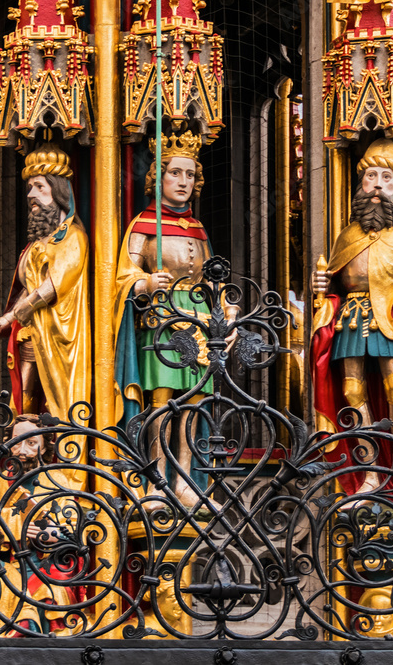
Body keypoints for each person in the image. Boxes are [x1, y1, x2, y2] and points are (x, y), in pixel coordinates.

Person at [311, 139, 393, 507]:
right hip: (350, 318)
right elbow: (333, 276)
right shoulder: (347, 235)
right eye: (371, 177)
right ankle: (369, 473)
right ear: (360, 185)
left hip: (391, 322)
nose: (378, 184)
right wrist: (322, 285)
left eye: (386, 177)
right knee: (352, 392)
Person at [113, 131, 234, 509]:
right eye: (175, 174)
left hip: (197, 322)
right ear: (157, 178)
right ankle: (155, 479)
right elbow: (122, 276)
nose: (184, 182)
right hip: (160, 320)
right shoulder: (143, 224)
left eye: (190, 175)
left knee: (192, 406)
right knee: (162, 403)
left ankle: (186, 481)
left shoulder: (197, 229)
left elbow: (215, 279)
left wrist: (228, 308)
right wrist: (145, 281)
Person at [0, 142, 90, 492]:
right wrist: (3, 322)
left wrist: (14, 315)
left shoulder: (73, 238)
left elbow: (50, 287)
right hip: (30, 337)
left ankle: (65, 471)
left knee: (61, 404)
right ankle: (25, 466)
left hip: (61, 338)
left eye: (39, 187)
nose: (31, 194)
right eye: (29, 187)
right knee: (25, 403)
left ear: (58, 192)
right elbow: (22, 290)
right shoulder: (33, 246)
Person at [0, 414, 86, 637]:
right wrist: (16, 527)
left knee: (50, 591)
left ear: (44, 447)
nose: (22, 450)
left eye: (31, 443)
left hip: (48, 563)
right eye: (17, 441)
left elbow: (74, 532)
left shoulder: (57, 480)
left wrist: (53, 533)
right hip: (9, 563)